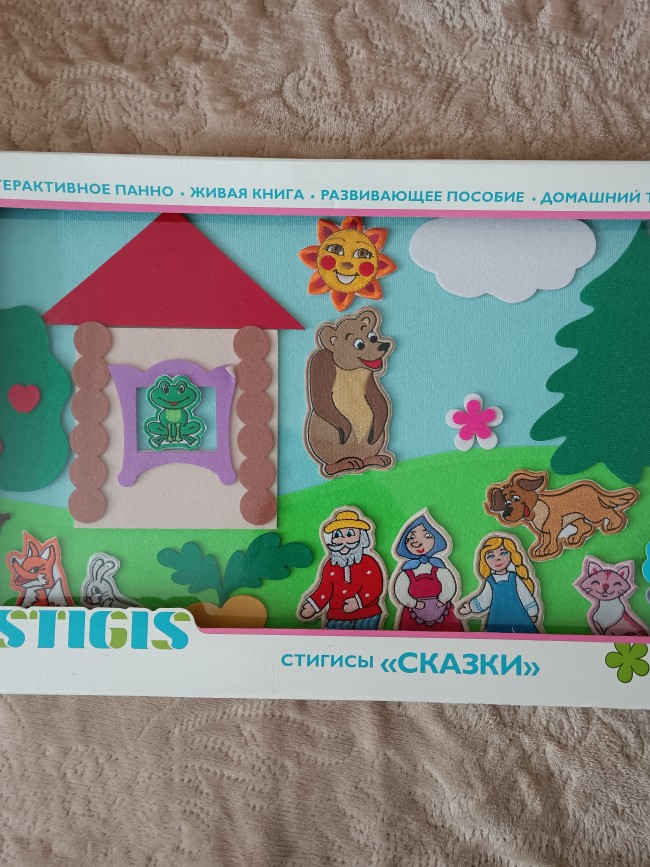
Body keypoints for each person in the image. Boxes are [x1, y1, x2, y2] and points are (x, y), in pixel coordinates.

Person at [298, 508, 387, 629]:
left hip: (367, 614)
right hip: (337, 616)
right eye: (337, 535)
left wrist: (359, 601)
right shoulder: (330, 565)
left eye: (350, 534)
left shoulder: (369, 562)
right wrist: (313, 605)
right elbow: (324, 589)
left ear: (361, 537)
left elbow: (374, 586)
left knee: (366, 639)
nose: (344, 540)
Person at [390, 511, 463, 632]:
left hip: (443, 610)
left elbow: (448, 585)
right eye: (411, 537)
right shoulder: (406, 572)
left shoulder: (439, 567)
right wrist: (414, 603)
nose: (418, 542)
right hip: (413, 613)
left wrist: (442, 600)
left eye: (427, 535)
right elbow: (400, 591)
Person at [458, 535, 541, 633]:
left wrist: (532, 612)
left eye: (503, 553)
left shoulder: (515, 578)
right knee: (496, 640)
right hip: (498, 619)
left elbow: (525, 595)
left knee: (524, 639)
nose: (497, 559)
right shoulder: (490, 581)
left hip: (520, 619)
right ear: (485, 560)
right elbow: (484, 598)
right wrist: (471, 607)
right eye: (491, 556)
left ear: (511, 555)